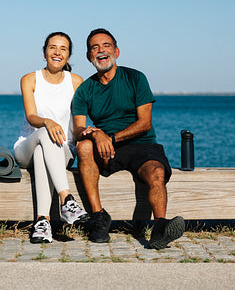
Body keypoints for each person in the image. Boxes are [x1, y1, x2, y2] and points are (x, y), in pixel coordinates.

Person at [72, 28, 185, 249]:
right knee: (83, 146)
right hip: (107, 151)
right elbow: (78, 129)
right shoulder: (85, 90)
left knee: (156, 172)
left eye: (106, 45)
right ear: (89, 56)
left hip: (142, 145)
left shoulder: (135, 78)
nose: (101, 50)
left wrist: (111, 137)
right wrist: (96, 133)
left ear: (116, 51)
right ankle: (99, 218)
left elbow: (145, 123)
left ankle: (160, 227)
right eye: (95, 47)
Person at [14, 31, 89, 244]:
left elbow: (79, 120)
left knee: (42, 153)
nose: (57, 52)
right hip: (27, 145)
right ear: (45, 52)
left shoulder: (76, 81)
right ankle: (66, 199)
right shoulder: (29, 79)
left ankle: (42, 222)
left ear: (68, 55)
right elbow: (31, 116)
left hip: (62, 150)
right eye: (52, 47)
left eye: (63, 49)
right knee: (42, 140)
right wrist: (47, 122)